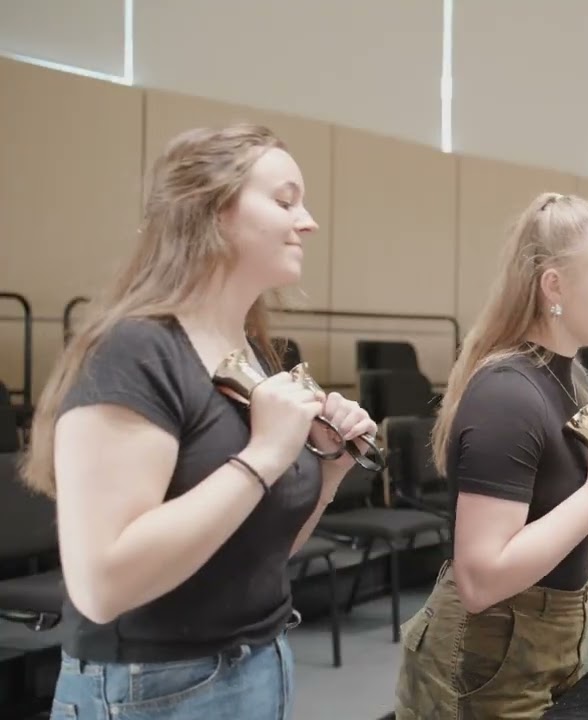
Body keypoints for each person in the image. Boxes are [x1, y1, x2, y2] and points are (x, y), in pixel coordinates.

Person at [20, 125, 374, 720]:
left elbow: (259, 548)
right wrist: (263, 456)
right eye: (284, 201)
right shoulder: (134, 350)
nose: (308, 221)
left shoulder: (255, 353)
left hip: (258, 663)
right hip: (155, 687)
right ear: (212, 211)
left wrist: (332, 468)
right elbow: (102, 587)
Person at [393, 193, 588, 718]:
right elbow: (481, 581)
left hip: (565, 627)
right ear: (554, 286)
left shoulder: (573, 379)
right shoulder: (507, 395)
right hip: (489, 653)